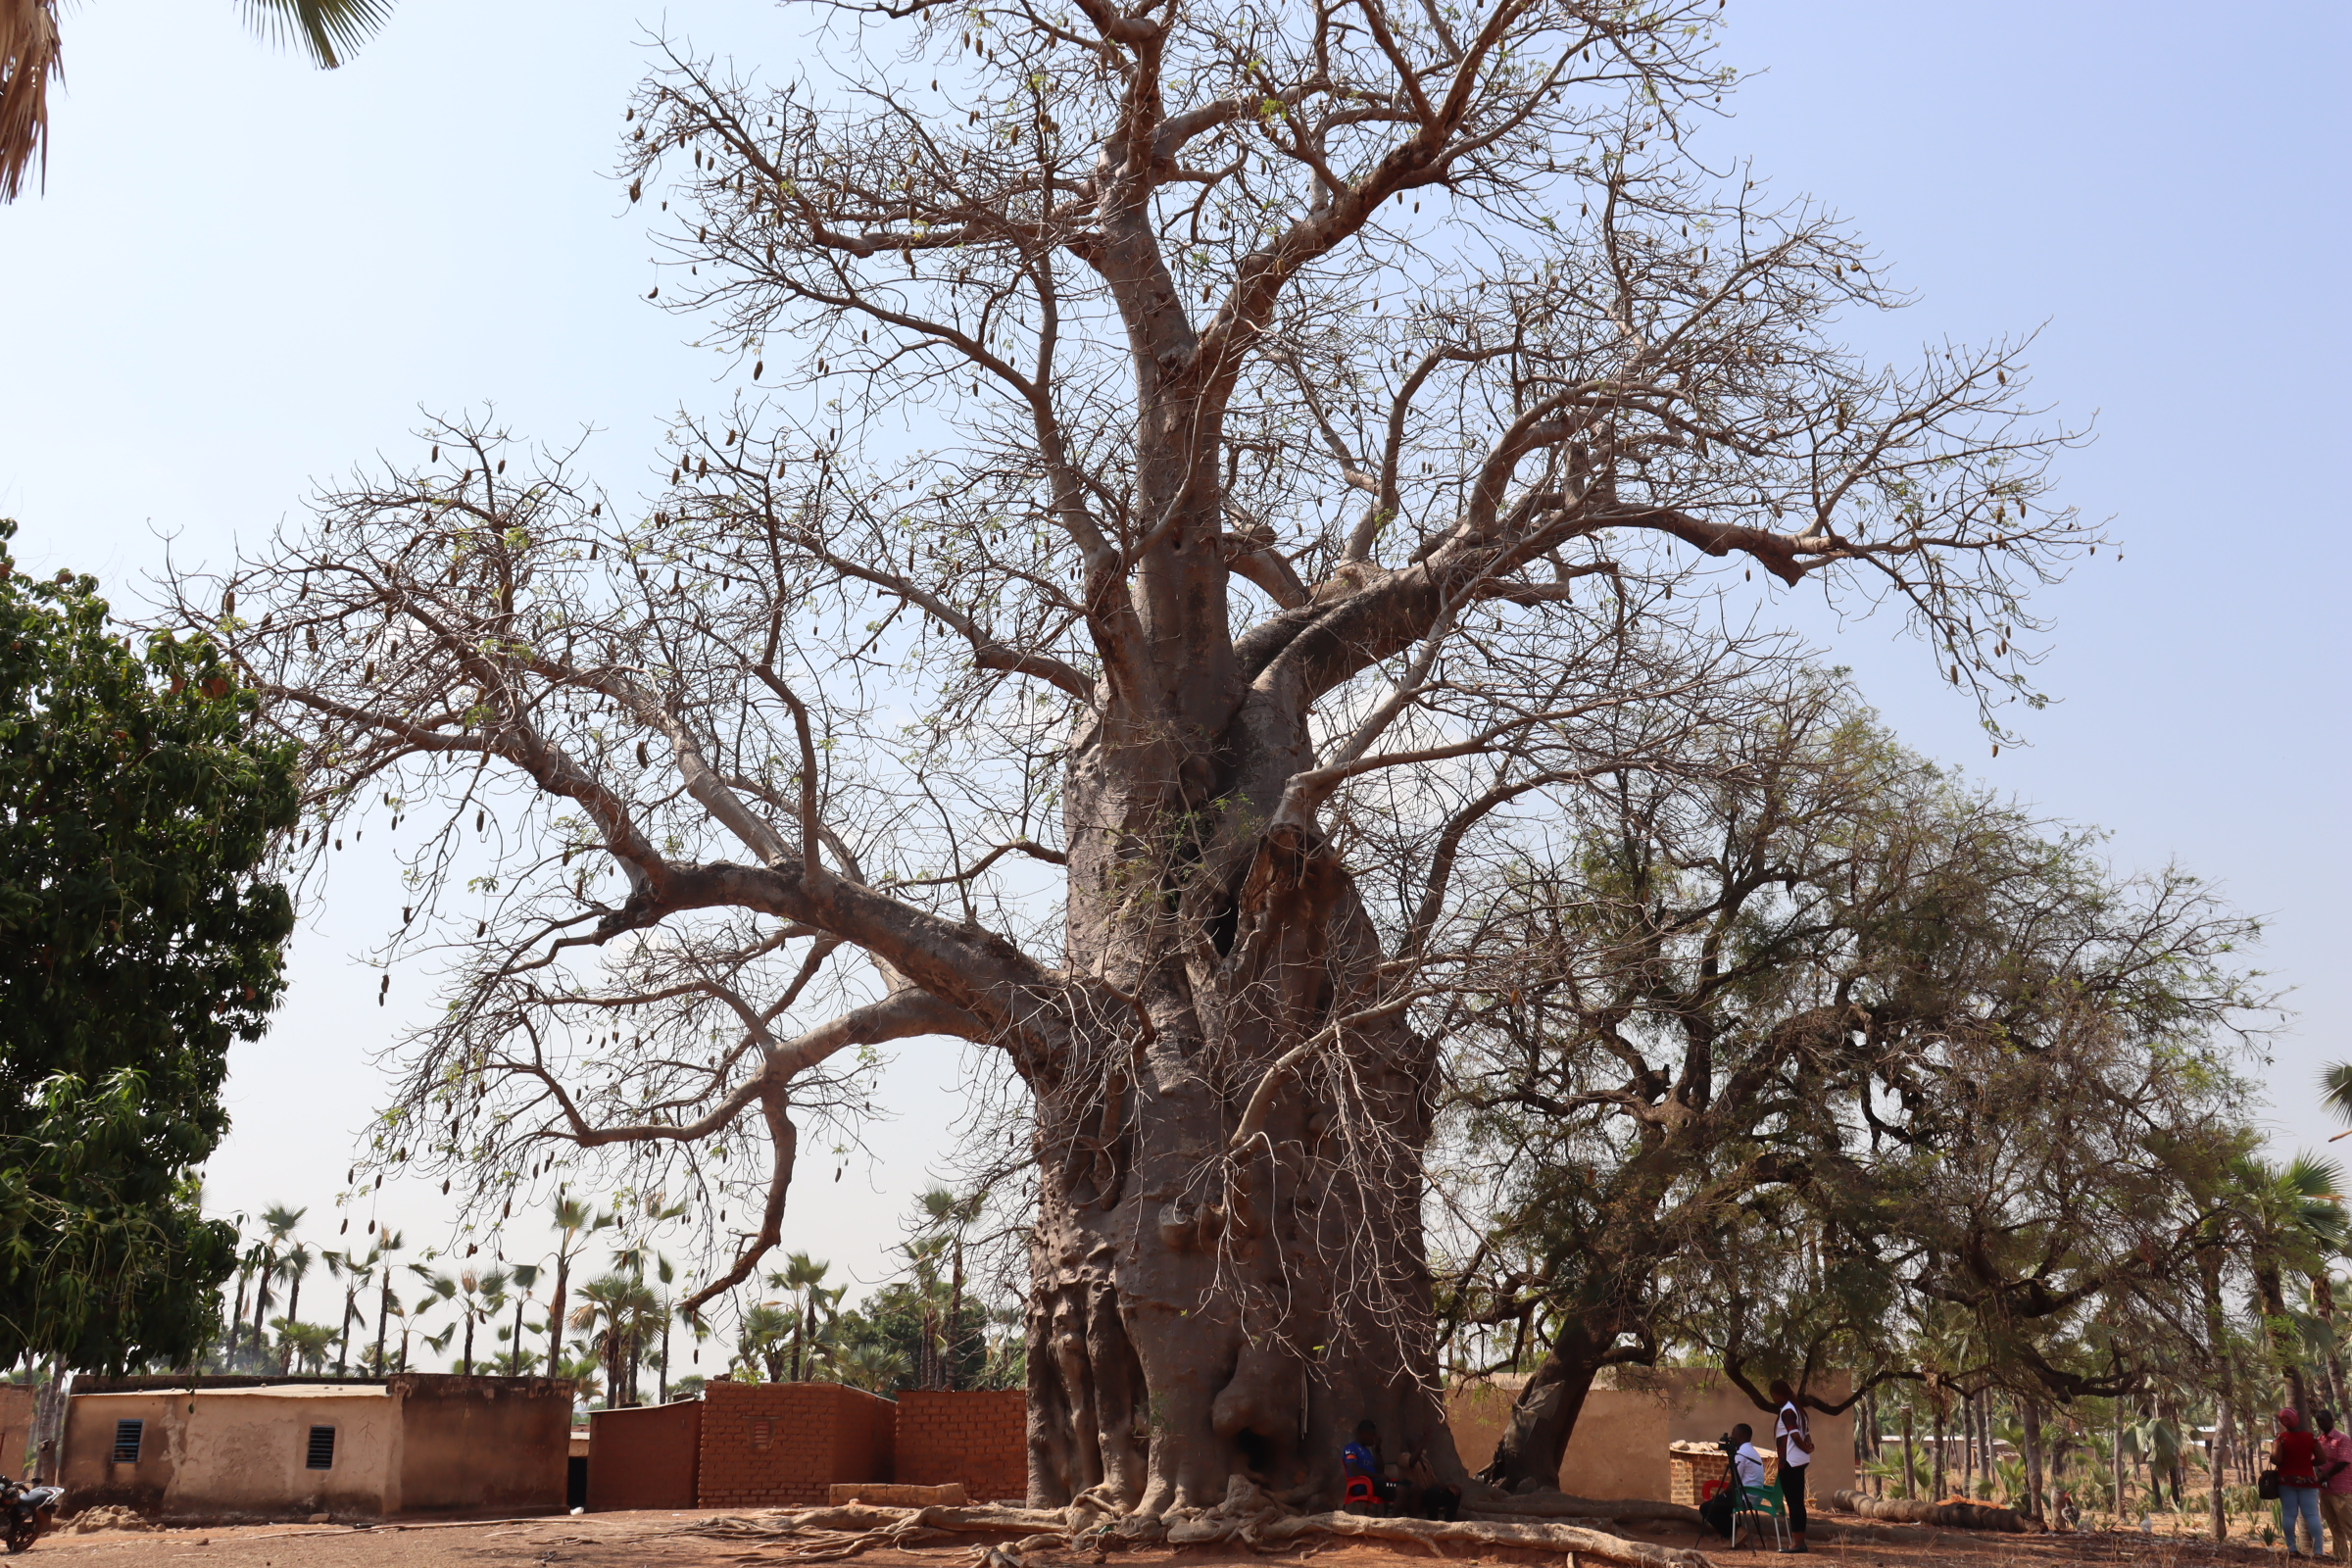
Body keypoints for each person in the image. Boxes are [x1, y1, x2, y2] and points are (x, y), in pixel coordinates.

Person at [1700, 1424, 1772, 1544]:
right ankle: (1734, 1534)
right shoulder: (1753, 1452)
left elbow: (1735, 1481)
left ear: (1740, 1436)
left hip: (1744, 1497)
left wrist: (1720, 1495)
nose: (1731, 1437)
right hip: (1755, 1496)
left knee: (1706, 1508)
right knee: (1716, 1506)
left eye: (1733, 1434)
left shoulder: (1741, 1454)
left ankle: (1737, 1532)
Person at [1769, 1380, 1812, 1555]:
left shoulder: (1787, 1410)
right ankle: (1799, 1541)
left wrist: (1803, 1446)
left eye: (1774, 1396)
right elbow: (1806, 1434)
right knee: (1797, 1503)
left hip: (1790, 1462)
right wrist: (1808, 1446)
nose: (1773, 1400)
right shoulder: (1799, 1410)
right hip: (1800, 1460)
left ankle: (1798, 1543)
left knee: (1794, 1504)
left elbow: (1794, 1434)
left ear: (1780, 1394)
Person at [2278, 1408, 2327, 1558]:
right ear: (2297, 1419)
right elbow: (2322, 1459)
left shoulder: (2281, 1438)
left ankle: (2292, 1549)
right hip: (2307, 1480)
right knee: (2312, 1515)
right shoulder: (2310, 1438)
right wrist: (2308, 1462)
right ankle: (2318, 1551)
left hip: (2286, 1480)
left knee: (2289, 1515)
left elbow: (2275, 1459)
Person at [2315, 1409, 2352, 1560]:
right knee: (2334, 1526)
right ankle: (2341, 1557)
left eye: (2323, 1419)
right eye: (2318, 1420)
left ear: (2331, 1420)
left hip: (2341, 1489)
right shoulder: (2320, 1440)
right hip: (2326, 1490)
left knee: (2349, 1525)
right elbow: (2316, 1459)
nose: (2320, 1423)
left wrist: (2326, 1475)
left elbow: (2344, 1461)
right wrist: (2319, 1473)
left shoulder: (2342, 1439)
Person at [1344, 1421, 1396, 1513]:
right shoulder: (1351, 1448)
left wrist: (1378, 1450)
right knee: (1399, 1489)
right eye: (1372, 1435)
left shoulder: (1368, 1451)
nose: (1374, 1438)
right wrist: (1378, 1477)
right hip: (1364, 1486)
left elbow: (1380, 1471)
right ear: (1362, 1433)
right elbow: (1354, 1470)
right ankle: (1395, 1521)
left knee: (1405, 1488)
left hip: (1377, 1484)